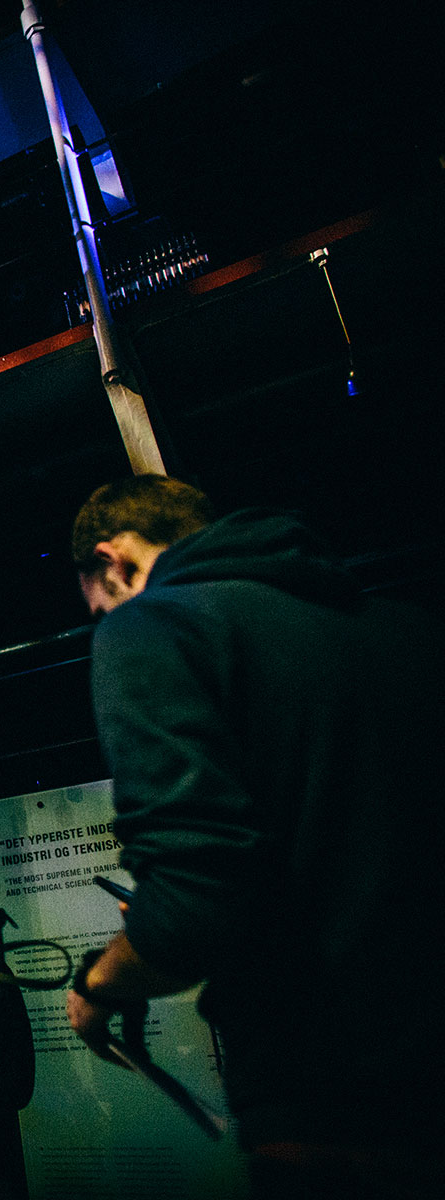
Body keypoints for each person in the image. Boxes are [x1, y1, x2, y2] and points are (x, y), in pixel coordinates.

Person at [65, 475, 442, 1198]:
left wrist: (99, 984)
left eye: (101, 606)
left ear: (116, 563)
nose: (106, 620)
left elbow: (191, 907)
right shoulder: (410, 627)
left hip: (328, 1107)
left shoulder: (156, 626)